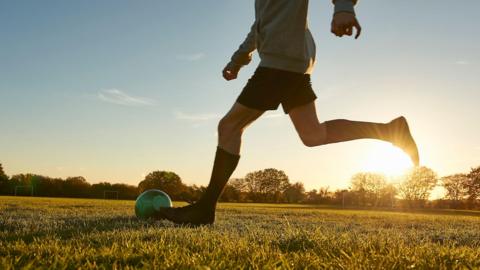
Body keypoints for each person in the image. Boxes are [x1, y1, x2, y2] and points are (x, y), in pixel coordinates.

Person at [157, 0, 419, 225]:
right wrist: (237, 60)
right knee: (312, 135)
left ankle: (204, 209)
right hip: (290, 60)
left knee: (229, 127)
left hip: (280, 61)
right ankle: (389, 130)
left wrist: (343, 7)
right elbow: (260, 25)